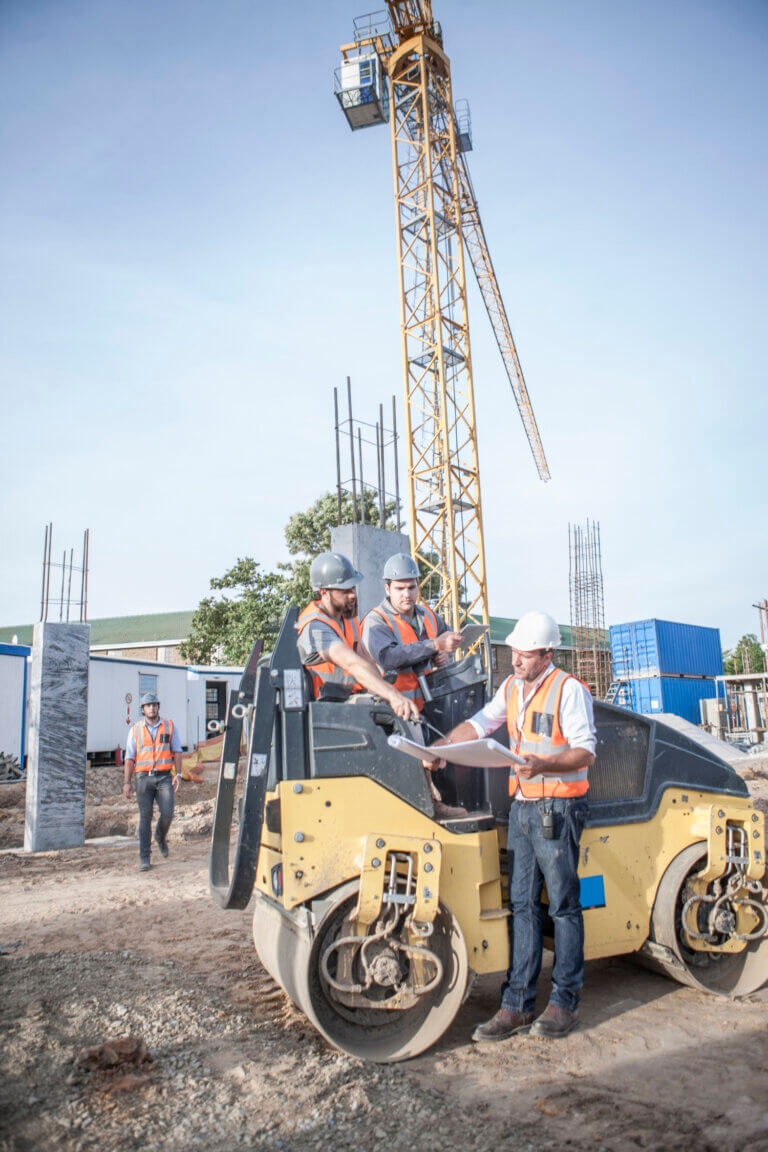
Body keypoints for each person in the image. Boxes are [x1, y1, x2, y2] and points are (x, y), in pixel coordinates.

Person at [430, 611, 596, 1039]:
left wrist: (544, 764)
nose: (516, 660)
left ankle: (564, 1002)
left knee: (562, 907)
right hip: (524, 810)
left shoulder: (569, 690)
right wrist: (441, 747)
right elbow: (482, 724)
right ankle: (516, 1005)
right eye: (515, 653)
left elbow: (585, 752)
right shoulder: (512, 688)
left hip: (558, 810)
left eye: (525, 655)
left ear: (546, 654)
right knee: (520, 905)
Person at [296, 551, 419, 724]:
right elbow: (351, 663)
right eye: (344, 590)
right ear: (324, 592)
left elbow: (364, 659)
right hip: (322, 714)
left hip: (348, 706)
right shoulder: (315, 626)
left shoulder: (348, 617)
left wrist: (383, 690)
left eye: (353, 587)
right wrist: (393, 695)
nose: (352, 594)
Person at [361, 552, 464, 714]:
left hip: (428, 707)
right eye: (400, 588)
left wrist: (445, 654)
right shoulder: (376, 620)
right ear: (387, 589)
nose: (406, 594)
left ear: (418, 585)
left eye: (411, 587)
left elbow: (448, 638)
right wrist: (435, 645)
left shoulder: (428, 615)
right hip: (391, 712)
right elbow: (389, 658)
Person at [122, 692, 182, 872]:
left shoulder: (169, 726)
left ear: (158, 707)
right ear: (143, 709)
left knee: (168, 812)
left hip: (164, 777)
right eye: (148, 706)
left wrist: (178, 774)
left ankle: (160, 836)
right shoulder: (135, 729)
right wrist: (126, 782)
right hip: (143, 779)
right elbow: (129, 758)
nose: (152, 708)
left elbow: (177, 751)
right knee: (145, 818)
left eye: (154, 705)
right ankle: (144, 857)